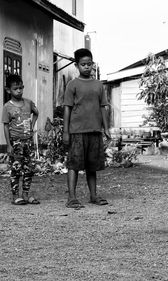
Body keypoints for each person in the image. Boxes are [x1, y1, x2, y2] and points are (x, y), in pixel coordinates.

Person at [63, 48, 110, 209]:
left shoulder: (98, 85)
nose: (87, 67)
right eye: (83, 64)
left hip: (94, 131)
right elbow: (67, 108)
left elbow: (103, 106)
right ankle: (71, 197)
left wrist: (106, 127)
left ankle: (93, 195)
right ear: (77, 65)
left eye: (89, 64)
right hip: (77, 131)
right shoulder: (72, 85)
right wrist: (65, 131)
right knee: (74, 165)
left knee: (92, 166)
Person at [2, 74, 39, 205]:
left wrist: (31, 126)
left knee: (29, 168)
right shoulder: (7, 107)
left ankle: (26, 194)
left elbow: (36, 113)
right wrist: (8, 145)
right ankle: (15, 196)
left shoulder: (28, 103)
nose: (19, 91)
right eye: (16, 88)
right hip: (15, 142)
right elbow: (6, 126)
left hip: (28, 141)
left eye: (21, 88)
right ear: (8, 90)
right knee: (16, 169)